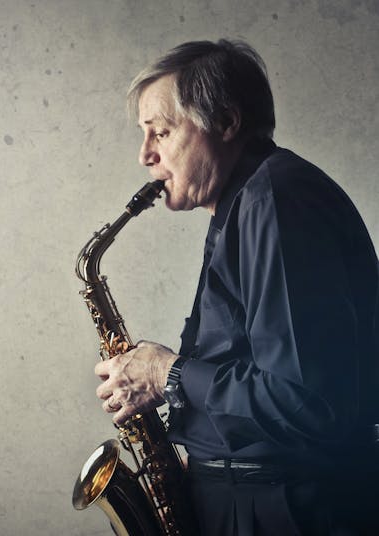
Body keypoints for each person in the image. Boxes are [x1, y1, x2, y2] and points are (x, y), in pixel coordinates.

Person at [91, 39, 379, 535]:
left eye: (160, 132)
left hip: (288, 510)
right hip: (256, 499)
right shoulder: (246, 203)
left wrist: (168, 373)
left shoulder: (276, 201)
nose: (145, 155)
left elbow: (306, 401)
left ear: (226, 123)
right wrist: (208, 468)